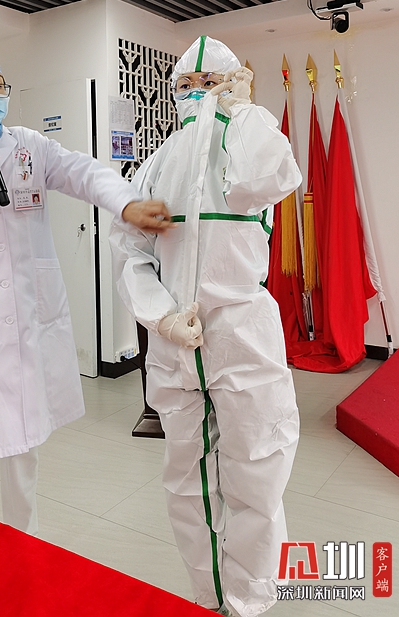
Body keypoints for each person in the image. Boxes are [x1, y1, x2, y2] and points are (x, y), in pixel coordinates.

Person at [0, 38, 173, 534]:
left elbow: (82, 172)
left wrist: (125, 201)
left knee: (23, 447)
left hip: (23, 320)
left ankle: (21, 545)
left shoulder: (28, 146)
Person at [109, 36, 302, 617]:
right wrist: (160, 316)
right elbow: (131, 252)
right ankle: (207, 593)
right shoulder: (156, 163)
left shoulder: (250, 145)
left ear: (233, 83)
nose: (197, 95)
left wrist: (243, 112)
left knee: (256, 469)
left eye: (210, 83)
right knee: (186, 480)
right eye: (187, 87)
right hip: (176, 344)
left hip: (242, 334)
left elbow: (264, 180)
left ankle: (251, 597)